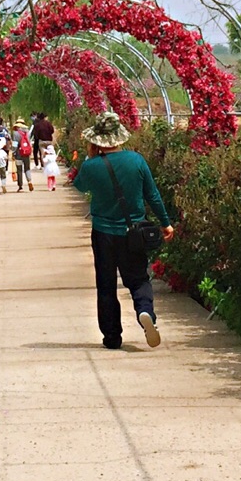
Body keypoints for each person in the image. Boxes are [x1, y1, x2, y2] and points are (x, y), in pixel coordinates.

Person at [69, 110, 174, 350]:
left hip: (104, 233)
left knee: (106, 285)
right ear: (120, 137)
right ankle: (145, 312)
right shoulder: (136, 160)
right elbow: (153, 195)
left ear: (96, 139)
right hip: (133, 233)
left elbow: (79, 185)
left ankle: (112, 337)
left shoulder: (92, 166)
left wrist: (90, 158)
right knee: (138, 280)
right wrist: (166, 222)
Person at [12, 121, 33, 191]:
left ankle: (20, 186)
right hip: (26, 153)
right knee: (27, 168)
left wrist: (13, 152)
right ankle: (29, 181)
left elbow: (15, 144)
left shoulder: (16, 133)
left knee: (19, 170)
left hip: (19, 153)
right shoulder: (27, 133)